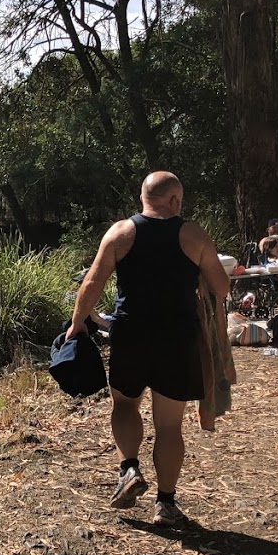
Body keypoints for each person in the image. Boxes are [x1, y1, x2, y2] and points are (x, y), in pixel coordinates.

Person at [66, 171, 230, 526]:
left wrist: (77, 324)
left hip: (131, 334)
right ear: (174, 201)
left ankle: (129, 468)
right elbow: (221, 286)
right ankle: (166, 504)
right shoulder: (193, 234)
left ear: (143, 198)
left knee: (125, 403)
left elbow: (92, 282)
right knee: (170, 426)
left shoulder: (121, 232)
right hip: (178, 337)